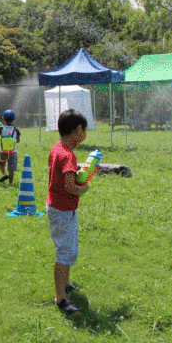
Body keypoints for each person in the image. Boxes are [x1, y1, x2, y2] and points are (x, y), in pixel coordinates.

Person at [47, 109, 95, 317]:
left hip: (59, 208)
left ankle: (66, 284)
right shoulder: (68, 155)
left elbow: (62, 176)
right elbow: (68, 185)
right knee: (65, 252)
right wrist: (83, 188)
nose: (84, 136)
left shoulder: (57, 149)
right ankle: (60, 298)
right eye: (85, 131)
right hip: (63, 209)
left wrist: (77, 172)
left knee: (69, 248)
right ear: (78, 130)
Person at [0, 109, 22, 185]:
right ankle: (10, 184)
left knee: (0, 163)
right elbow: (18, 140)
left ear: (4, 119)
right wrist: (12, 142)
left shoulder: (1, 128)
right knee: (11, 169)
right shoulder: (16, 129)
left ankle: (4, 174)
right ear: (14, 119)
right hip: (13, 151)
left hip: (3, 150)